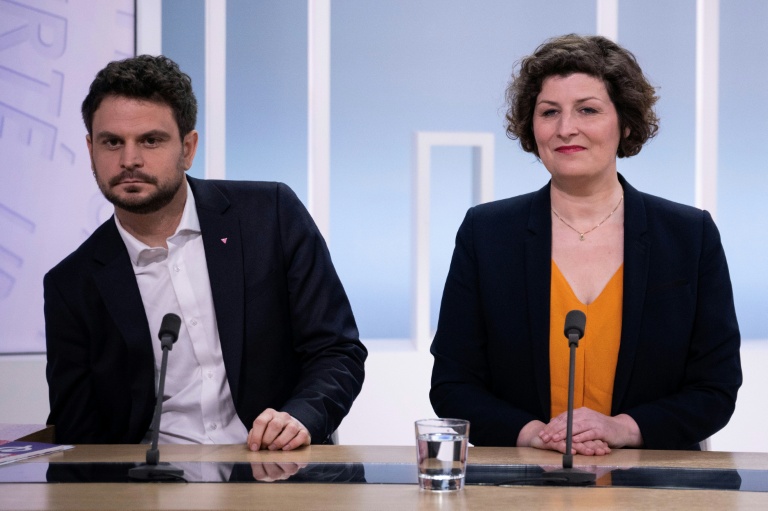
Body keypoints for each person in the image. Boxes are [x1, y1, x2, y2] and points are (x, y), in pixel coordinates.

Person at [429, 34, 741, 454]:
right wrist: (532, 434)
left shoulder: (689, 234)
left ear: (625, 123)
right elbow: (453, 384)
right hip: (521, 477)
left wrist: (624, 429)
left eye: (587, 110)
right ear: (531, 127)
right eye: (549, 112)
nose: (565, 129)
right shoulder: (486, 233)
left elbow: (715, 387)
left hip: (653, 479)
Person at [44, 55, 367, 450]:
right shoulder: (71, 284)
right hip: (151, 477)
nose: (129, 160)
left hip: (276, 465)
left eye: (150, 140)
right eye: (112, 142)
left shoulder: (271, 216)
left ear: (188, 148)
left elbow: (337, 350)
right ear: (91, 149)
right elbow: (77, 431)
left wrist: (301, 417)